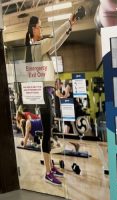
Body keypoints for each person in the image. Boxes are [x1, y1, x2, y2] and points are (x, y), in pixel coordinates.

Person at [24, 14, 77, 186]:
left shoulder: (41, 47)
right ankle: (47, 172)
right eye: (39, 26)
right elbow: (54, 39)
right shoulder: (35, 47)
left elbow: (56, 44)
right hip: (43, 94)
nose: (42, 29)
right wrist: (68, 22)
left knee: (50, 132)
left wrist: (69, 29)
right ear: (33, 29)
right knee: (47, 134)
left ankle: (50, 166)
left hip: (47, 93)